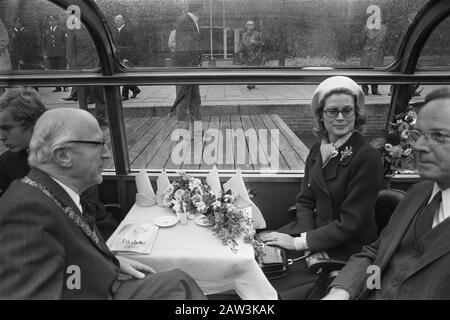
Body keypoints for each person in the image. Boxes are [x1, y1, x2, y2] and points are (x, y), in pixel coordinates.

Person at [0, 107, 206, 299]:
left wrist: (109, 262)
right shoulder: (27, 212)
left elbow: (69, 262)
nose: (107, 154)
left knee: (179, 281)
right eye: (99, 144)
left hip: (99, 282)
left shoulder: (53, 192)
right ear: (63, 155)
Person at [260, 76, 384, 299]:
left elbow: (350, 223)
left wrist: (300, 242)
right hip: (316, 235)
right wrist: (304, 237)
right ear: (321, 115)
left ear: (356, 114)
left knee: (276, 287)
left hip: (348, 248)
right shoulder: (318, 148)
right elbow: (305, 200)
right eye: (332, 111)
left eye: (347, 110)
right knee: (260, 248)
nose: (340, 117)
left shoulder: (367, 157)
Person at [323, 87, 450, 300]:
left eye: (438, 136)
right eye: (416, 135)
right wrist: (343, 291)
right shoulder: (418, 193)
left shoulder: (366, 156)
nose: (418, 146)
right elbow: (376, 257)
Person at [0, 87, 117, 239]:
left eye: (7, 129)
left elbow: (91, 212)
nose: (1, 137)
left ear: (34, 125)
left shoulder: (73, 159)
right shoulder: (6, 163)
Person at [66, 20, 107, 126]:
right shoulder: (73, 28)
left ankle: (101, 118)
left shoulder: (96, 25)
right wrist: (73, 69)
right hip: (82, 68)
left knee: (99, 94)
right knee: (83, 97)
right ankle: (84, 121)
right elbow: (70, 50)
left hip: (97, 65)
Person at [173, 0, 203, 138]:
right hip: (185, 69)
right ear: (199, 9)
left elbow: (192, 45)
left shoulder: (190, 21)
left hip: (191, 68)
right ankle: (183, 132)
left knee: (195, 99)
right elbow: (183, 47)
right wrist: (189, 67)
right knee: (184, 101)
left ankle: (196, 131)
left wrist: (197, 62)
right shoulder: (185, 21)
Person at [113, 14, 141, 101]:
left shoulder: (127, 31)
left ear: (123, 21)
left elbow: (131, 46)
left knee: (125, 74)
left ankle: (125, 95)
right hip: (118, 56)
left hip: (126, 56)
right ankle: (135, 89)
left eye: (118, 20)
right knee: (123, 74)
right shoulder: (115, 31)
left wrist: (126, 57)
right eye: (115, 20)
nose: (116, 22)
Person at [359, 13, 387, 96]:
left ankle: (375, 89)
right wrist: (366, 49)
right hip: (367, 52)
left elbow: (385, 41)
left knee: (377, 71)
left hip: (378, 52)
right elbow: (361, 41)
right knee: (365, 71)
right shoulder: (366, 28)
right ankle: (365, 90)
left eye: (380, 18)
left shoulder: (384, 29)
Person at [42, 15, 68, 93]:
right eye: (50, 21)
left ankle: (65, 86)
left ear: (56, 21)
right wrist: (45, 53)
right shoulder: (46, 31)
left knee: (62, 70)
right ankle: (57, 86)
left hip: (60, 54)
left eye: (53, 20)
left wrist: (65, 52)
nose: (51, 22)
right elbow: (44, 43)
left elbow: (65, 42)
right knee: (54, 70)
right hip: (51, 54)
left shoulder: (62, 30)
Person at [239, 20, 263, 90]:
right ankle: (249, 83)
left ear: (254, 26)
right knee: (247, 70)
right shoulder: (244, 35)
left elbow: (261, 43)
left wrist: (254, 42)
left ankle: (252, 83)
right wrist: (240, 52)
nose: (250, 26)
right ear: (246, 26)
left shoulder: (257, 34)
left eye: (251, 25)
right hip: (246, 54)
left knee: (253, 70)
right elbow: (241, 44)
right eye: (248, 25)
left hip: (254, 55)